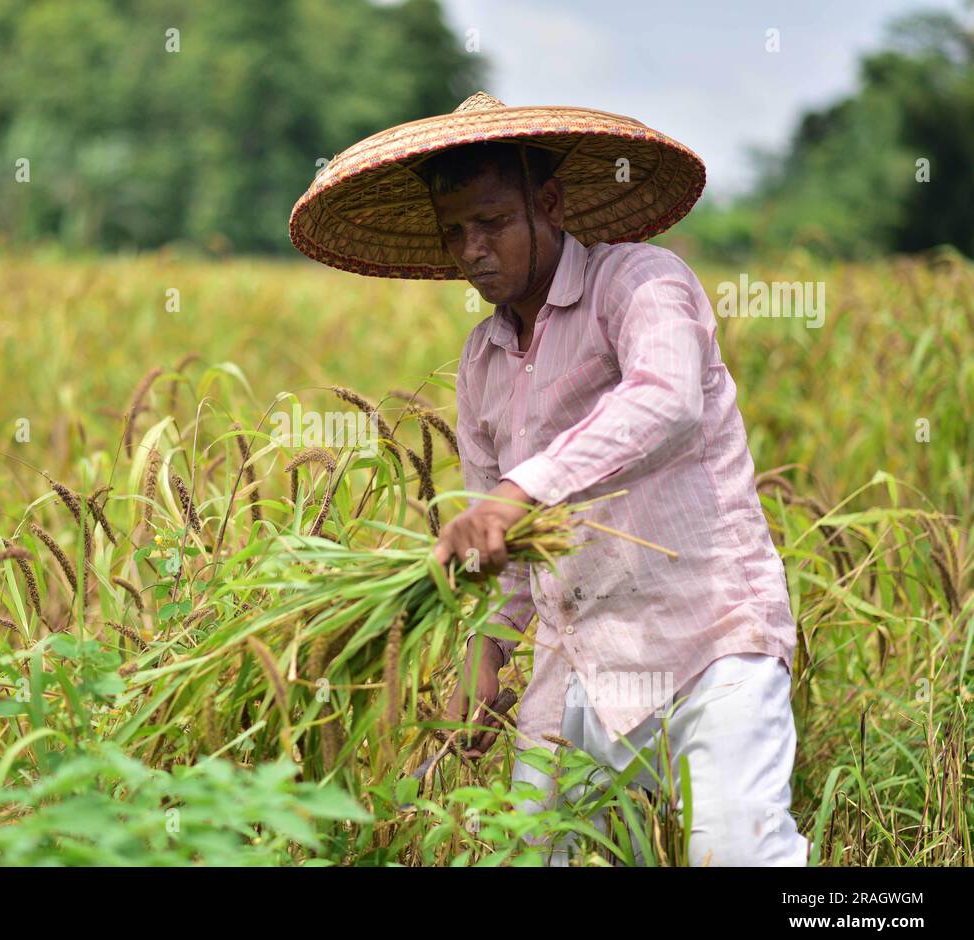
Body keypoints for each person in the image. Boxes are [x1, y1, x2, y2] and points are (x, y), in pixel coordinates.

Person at [289, 92, 808, 866]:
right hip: (579, 671)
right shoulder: (483, 359)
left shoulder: (640, 283)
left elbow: (665, 398)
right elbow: (504, 552)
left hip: (707, 645)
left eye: (492, 223)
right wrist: (487, 660)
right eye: (455, 231)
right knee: (529, 852)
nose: (471, 250)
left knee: (734, 856)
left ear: (551, 203)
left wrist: (520, 490)